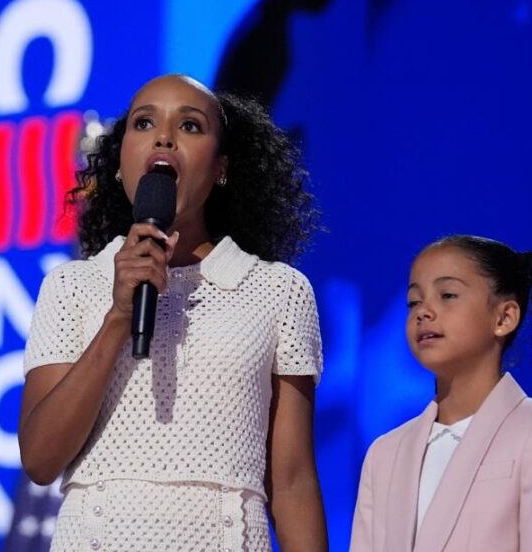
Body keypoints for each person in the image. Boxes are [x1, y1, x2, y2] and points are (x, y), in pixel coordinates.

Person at [19, 73, 328, 551]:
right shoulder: (71, 285)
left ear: (221, 167)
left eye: (190, 126)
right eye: (144, 123)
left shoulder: (278, 291)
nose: (163, 136)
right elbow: (40, 458)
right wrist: (119, 317)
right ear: (120, 165)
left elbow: (291, 482)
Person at [350, 235, 532, 551]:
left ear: (504, 317)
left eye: (447, 294)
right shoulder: (384, 453)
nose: (423, 312)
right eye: (414, 302)